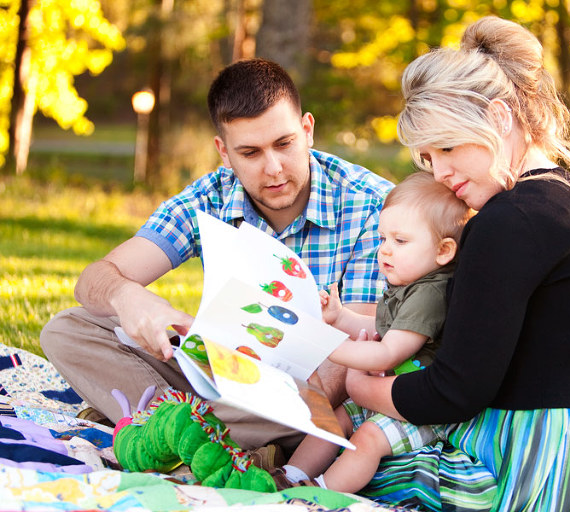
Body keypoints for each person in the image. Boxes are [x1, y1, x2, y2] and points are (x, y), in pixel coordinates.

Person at [346, 16, 570, 511]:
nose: (441, 172)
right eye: (428, 158)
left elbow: (452, 392)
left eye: (448, 147)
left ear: (498, 118)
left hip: (551, 472)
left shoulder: (507, 221)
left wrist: (359, 386)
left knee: (355, 456)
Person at [39, 58, 393, 452]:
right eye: (251, 152)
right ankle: (197, 435)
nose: (274, 168)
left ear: (307, 130)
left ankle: (161, 425)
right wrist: (129, 297)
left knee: (322, 394)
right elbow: (94, 279)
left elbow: (357, 351)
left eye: (284, 143)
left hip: (310, 389)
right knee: (68, 329)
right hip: (221, 369)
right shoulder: (208, 197)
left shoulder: (371, 204)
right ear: (224, 152)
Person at [271, 172, 474, 493]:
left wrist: (329, 347)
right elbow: (379, 326)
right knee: (335, 418)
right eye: (382, 239)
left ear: (443, 251)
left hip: (421, 413)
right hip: (389, 394)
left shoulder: (430, 295)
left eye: (400, 241)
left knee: (369, 437)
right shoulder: (409, 284)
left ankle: (320, 493)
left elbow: (388, 351)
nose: (385, 250)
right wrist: (341, 317)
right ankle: (291, 474)